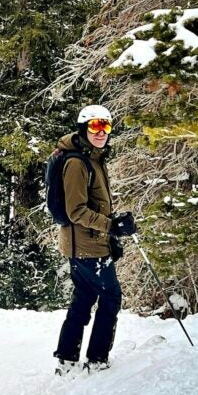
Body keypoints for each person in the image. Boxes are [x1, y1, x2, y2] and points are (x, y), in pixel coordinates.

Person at [53, 104, 136, 376]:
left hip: (87, 242)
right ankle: (97, 359)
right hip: (86, 245)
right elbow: (75, 210)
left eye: (106, 126)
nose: (101, 132)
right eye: (94, 126)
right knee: (111, 296)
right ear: (83, 128)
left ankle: (67, 358)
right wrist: (111, 226)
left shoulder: (94, 157)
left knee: (85, 296)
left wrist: (113, 221)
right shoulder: (77, 163)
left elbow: (95, 204)